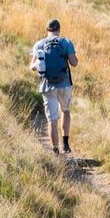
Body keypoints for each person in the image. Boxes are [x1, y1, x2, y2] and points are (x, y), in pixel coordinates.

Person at [30, 19, 79, 154]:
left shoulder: (39, 44)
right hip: (64, 84)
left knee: (52, 119)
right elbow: (74, 63)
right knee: (65, 110)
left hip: (47, 86)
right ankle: (65, 143)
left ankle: (55, 150)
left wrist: (39, 64)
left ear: (47, 30)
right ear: (59, 29)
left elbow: (32, 67)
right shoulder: (66, 42)